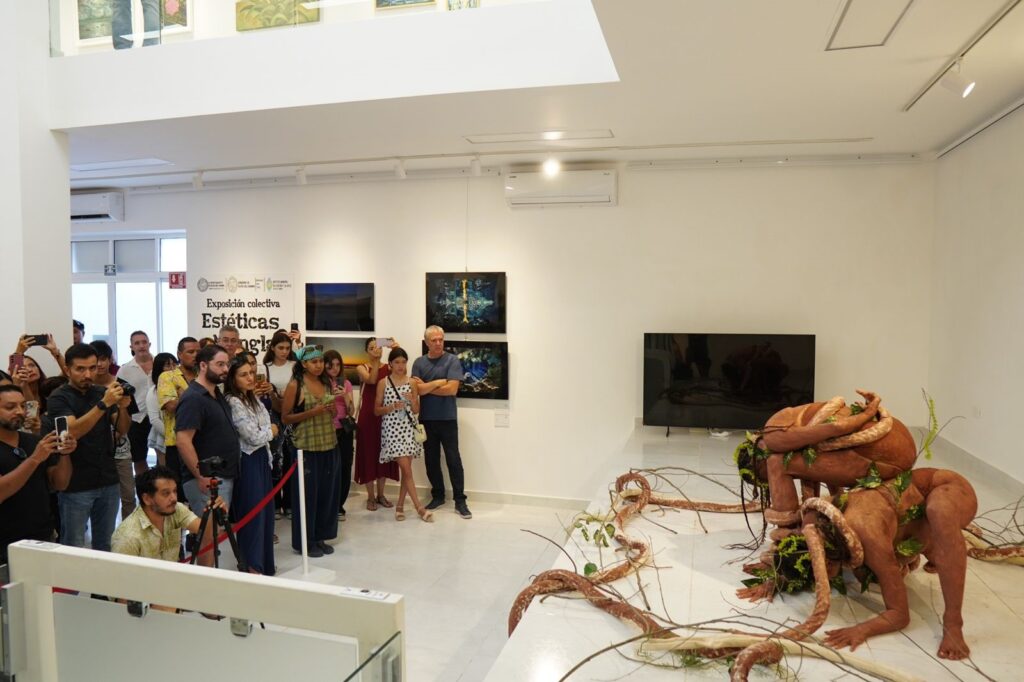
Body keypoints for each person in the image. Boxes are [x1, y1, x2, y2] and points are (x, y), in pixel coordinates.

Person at [47, 343, 131, 551]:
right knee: (73, 545)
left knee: (105, 543)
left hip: (108, 478)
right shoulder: (59, 397)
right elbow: (71, 432)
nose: (87, 374)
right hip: (76, 482)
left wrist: (123, 408)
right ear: (67, 370)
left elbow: (121, 429)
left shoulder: (101, 392)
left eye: (92, 368)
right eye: (80, 369)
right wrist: (103, 404)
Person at [174, 344, 240, 569]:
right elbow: (183, 440)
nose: (225, 369)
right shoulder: (194, 398)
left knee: (214, 533)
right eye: (219, 364)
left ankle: (210, 576)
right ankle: (205, 581)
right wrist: (200, 476)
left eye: (227, 364)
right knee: (208, 535)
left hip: (222, 475)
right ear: (203, 365)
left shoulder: (215, 393)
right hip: (206, 479)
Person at [0, 385, 76, 563]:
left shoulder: (34, 442)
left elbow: (60, 483)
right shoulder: (37, 450)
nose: (19, 412)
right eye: (10, 407)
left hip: (42, 534)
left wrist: (65, 454)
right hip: (5, 541)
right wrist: (34, 459)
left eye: (22, 405)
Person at [282, 345, 339, 558]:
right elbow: (285, 418)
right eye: (314, 362)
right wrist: (313, 412)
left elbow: (333, 414)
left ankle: (321, 536)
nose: (318, 365)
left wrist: (332, 410)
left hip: (328, 444)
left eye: (320, 361)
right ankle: (306, 541)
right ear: (304, 364)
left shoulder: (326, 383)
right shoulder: (295, 385)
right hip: (305, 448)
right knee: (307, 497)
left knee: (326, 495)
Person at [225, 356, 278, 575]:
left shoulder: (253, 398)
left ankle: (264, 563)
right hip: (248, 460)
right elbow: (253, 436)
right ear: (233, 378)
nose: (250, 378)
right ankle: (252, 565)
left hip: (262, 458)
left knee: (266, 514)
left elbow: (266, 422)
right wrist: (271, 431)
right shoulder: (233, 401)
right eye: (243, 375)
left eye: (251, 373)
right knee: (253, 514)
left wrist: (268, 430)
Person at [412, 326, 471, 519]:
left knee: (453, 459)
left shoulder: (452, 360)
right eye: (434, 340)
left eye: (441, 339)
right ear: (426, 342)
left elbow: (452, 389)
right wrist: (439, 382)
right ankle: (438, 496)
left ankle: (460, 500)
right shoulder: (419, 363)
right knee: (431, 460)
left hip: (447, 418)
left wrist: (427, 386)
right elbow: (416, 391)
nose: (438, 343)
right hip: (426, 419)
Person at [374, 348, 432, 523]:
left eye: (403, 362)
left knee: (406, 472)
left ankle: (399, 506)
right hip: (392, 431)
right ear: (390, 364)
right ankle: (420, 508)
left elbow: (416, 410)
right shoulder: (383, 383)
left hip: (408, 429)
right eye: (397, 362)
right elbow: (376, 410)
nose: (400, 366)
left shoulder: (412, 382)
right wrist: (392, 407)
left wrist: (413, 400)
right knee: (407, 470)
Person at [90, 340, 138, 520]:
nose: (100, 364)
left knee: (128, 495)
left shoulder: (122, 385)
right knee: (94, 498)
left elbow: (128, 420)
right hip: (92, 451)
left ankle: (129, 532)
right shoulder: (85, 387)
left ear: (110, 360)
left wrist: (116, 434)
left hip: (121, 450)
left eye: (104, 359)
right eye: (96, 360)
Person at [354, 338, 399, 511]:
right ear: (366, 351)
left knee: (384, 454)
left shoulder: (388, 368)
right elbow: (372, 381)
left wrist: (395, 347)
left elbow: (401, 369)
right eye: (371, 348)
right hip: (367, 416)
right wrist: (374, 362)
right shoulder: (362, 367)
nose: (375, 350)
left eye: (378, 347)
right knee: (368, 454)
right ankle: (370, 497)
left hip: (385, 415)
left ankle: (381, 494)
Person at [157, 337, 199, 502]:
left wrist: (183, 396)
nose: (195, 355)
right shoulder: (167, 377)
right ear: (179, 354)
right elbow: (170, 406)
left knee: (200, 495)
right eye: (190, 352)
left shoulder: (204, 376)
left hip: (201, 442)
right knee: (177, 497)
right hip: (177, 444)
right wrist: (192, 398)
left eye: (198, 352)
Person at [262, 330, 297, 517]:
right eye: (280, 348)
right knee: (275, 459)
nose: (284, 351)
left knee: (291, 458)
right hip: (273, 415)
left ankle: (290, 503)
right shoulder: (265, 368)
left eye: (287, 348)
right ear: (273, 348)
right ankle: (275, 503)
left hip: (291, 415)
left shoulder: (295, 366)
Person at [116, 331, 155, 476]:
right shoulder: (124, 370)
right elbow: (119, 393)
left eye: (144, 342)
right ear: (131, 347)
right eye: (137, 343)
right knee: (139, 459)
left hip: (160, 416)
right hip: (137, 418)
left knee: (164, 455)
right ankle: (143, 487)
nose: (141, 346)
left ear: (149, 344)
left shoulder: (160, 363)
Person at [324, 349, 354, 519]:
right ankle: (328, 505)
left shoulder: (346, 383)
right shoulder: (320, 383)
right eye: (331, 365)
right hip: (327, 429)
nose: (335, 369)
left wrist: (345, 396)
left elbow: (351, 411)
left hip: (344, 429)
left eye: (337, 365)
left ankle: (339, 506)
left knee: (345, 467)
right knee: (328, 469)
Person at [146, 353, 177, 467]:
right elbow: (154, 420)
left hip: (180, 435)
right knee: (168, 471)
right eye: (168, 365)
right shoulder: (153, 391)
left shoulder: (180, 386)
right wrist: (172, 435)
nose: (172, 368)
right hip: (163, 436)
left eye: (174, 364)